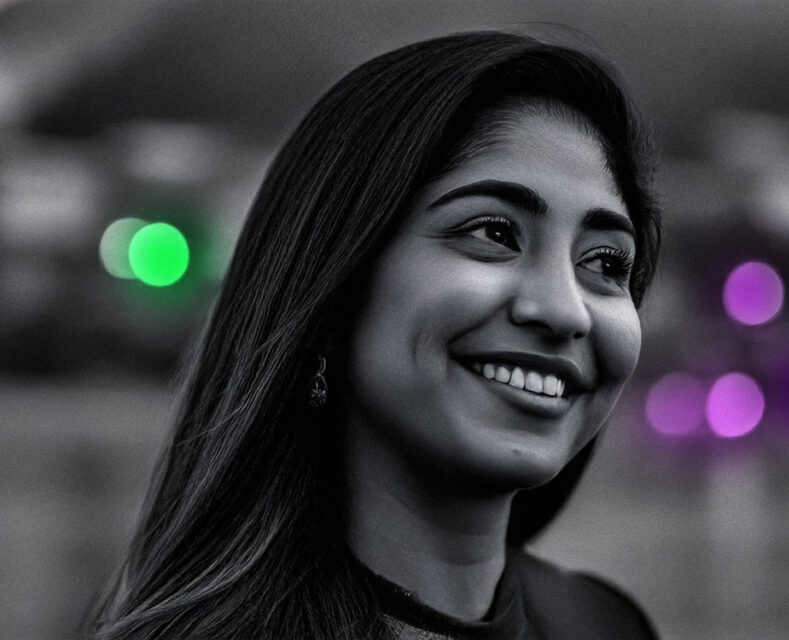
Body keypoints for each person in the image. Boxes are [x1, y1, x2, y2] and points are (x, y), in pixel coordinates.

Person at [90, 30, 661, 640]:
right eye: (495, 232)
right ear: (334, 293)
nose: (565, 311)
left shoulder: (602, 625)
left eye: (605, 263)